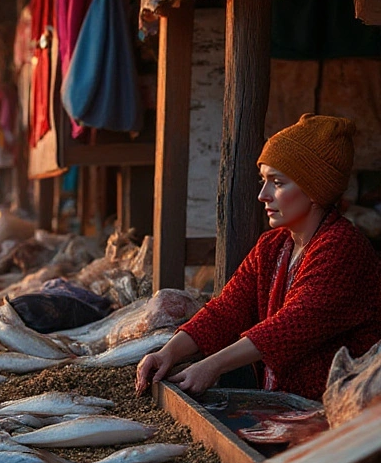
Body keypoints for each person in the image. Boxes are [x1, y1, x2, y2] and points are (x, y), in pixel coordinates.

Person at [137, 114, 381, 401]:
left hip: (341, 415)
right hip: (284, 406)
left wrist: (213, 365)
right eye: (263, 180)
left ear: (315, 190)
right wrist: (168, 352)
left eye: (277, 182)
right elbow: (227, 309)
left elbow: (289, 326)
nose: (263, 195)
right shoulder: (273, 246)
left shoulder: (343, 249)